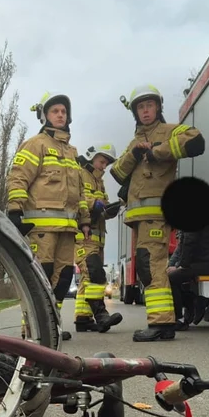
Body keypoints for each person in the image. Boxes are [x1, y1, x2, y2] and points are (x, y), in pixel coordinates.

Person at [110, 84, 205, 342]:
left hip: (157, 215)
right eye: (140, 107)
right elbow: (117, 172)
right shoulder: (134, 141)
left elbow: (196, 140)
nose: (146, 111)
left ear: (158, 107)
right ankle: (162, 321)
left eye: (149, 105)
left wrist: (157, 151)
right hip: (140, 219)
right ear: (135, 112)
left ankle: (162, 323)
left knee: (152, 267)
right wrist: (136, 153)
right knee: (147, 267)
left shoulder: (169, 131)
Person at [6, 92, 91, 341]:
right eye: (55, 111)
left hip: (67, 228)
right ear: (45, 115)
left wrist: (85, 219)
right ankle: (32, 328)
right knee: (39, 277)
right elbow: (18, 176)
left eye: (64, 111)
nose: (60, 115)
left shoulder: (72, 152)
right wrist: (14, 210)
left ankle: (51, 325)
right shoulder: (36, 144)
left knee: (63, 279)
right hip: (41, 227)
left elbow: (81, 191)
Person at [74, 143, 124, 333]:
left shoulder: (99, 182)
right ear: (92, 158)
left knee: (86, 278)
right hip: (82, 236)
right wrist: (93, 203)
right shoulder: (79, 174)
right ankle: (101, 316)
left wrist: (110, 210)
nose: (104, 166)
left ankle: (82, 319)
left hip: (97, 238)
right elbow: (75, 198)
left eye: (106, 163)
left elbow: (99, 209)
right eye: (102, 161)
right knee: (95, 273)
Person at [168, 218, 209, 329]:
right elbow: (181, 246)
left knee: (171, 279)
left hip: (208, 263)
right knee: (170, 275)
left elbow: (189, 243)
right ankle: (193, 301)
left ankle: (179, 319)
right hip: (204, 262)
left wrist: (180, 266)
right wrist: (170, 265)